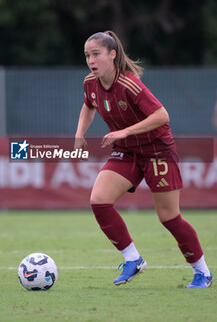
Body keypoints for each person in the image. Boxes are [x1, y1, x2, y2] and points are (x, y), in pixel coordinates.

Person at [74, 30, 213, 288]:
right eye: (87, 55)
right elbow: (88, 105)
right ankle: (133, 259)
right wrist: (79, 132)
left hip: (157, 149)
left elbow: (162, 115)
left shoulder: (129, 84)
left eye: (96, 54)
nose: (91, 60)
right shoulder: (90, 83)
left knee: (169, 217)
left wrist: (124, 131)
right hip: (127, 151)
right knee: (99, 201)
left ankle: (202, 272)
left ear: (112, 55)